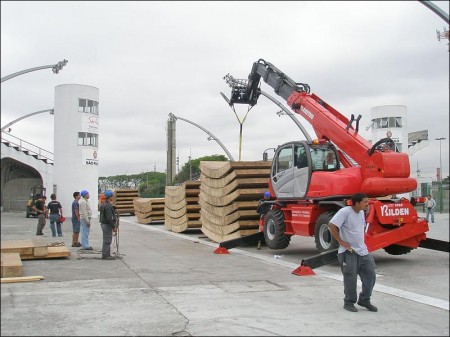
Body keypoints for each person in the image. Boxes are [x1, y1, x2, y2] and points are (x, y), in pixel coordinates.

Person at [328, 193, 377, 313]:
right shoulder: (345, 212)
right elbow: (331, 225)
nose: (367, 204)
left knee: (370, 275)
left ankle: (364, 299)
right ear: (356, 203)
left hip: (363, 251)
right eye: (365, 202)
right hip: (348, 252)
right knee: (350, 278)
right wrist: (340, 241)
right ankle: (349, 302)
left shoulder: (361, 212)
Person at [99, 190, 118, 260]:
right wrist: (114, 226)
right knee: (107, 240)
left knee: (107, 240)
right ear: (110, 196)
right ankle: (105, 255)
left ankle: (107, 254)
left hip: (104, 224)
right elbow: (109, 218)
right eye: (112, 195)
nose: (113, 196)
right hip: (107, 225)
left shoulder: (104, 204)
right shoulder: (108, 206)